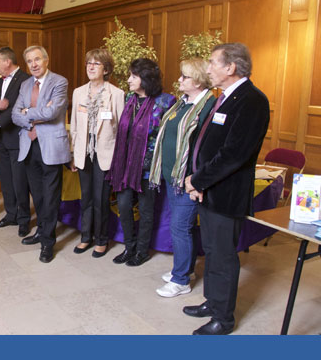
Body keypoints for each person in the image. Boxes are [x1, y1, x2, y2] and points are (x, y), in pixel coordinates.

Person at [183, 43, 269, 335]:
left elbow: (234, 154)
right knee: (211, 250)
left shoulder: (252, 100)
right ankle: (213, 301)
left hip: (225, 193)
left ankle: (224, 318)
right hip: (208, 190)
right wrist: (195, 178)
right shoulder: (226, 97)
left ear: (230, 67)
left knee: (222, 255)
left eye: (212, 62)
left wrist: (197, 180)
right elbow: (204, 141)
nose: (207, 68)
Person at [149, 58, 215, 297]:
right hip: (171, 176)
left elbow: (207, 146)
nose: (179, 80)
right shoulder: (183, 103)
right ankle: (186, 269)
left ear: (197, 80)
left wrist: (195, 178)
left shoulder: (208, 105)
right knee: (180, 226)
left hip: (188, 179)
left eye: (184, 77)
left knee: (180, 227)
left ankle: (181, 280)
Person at [107, 58, 175, 267]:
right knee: (125, 206)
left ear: (146, 79)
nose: (128, 80)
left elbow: (169, 138)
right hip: (125, 165)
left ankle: (142, 250)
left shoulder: (166, 102)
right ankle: (129, 246)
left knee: (146, 211)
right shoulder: (129, 98)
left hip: (149, 168)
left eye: (133, 76)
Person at [12, 45, 71, 263]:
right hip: (29, 144)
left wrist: (27, 112)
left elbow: (52, 112)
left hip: (51, 146)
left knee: (50, 196)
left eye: (37, 59)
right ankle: (40, 231)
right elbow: (14, 114)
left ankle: (48, 242)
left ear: (46, 60)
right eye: (29, 61)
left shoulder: (59, 81)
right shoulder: (25, 84)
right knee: (37, 195)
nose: (34, 64)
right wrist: (32, 114)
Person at [69, 49, 125, 258]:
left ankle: (102, 240)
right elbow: (74, 125)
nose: (91, 67)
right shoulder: (78, 92)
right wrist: (74, 153)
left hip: (105, 154)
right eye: (88, 63)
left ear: (106, 69)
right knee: (86, 199)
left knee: (101, 199)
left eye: (96, 64)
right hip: (84, 153)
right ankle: (86, 237)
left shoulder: (116, 94)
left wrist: (118, 159)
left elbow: (120, 129)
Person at [0, 47, 31, 237]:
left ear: (7, 61)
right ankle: (11, 215)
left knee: (20, 181)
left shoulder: (25, 80)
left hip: (17, 138)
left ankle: (24, 219)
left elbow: (19, 109)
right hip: (1, 139)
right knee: (6, 181)